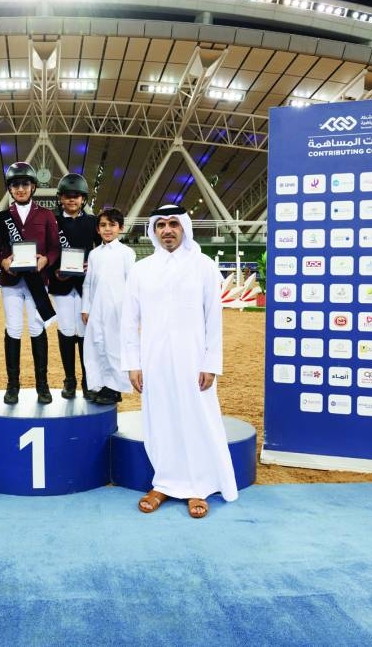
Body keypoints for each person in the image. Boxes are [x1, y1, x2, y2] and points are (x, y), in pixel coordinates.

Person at [121, 204, 238, 519]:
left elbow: (213, 319)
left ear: (184, 227)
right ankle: (164, 483)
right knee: (160, 419)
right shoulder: (141, 269)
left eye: (173, 224)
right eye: (160, 225)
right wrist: (133, 363)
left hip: (193, 359)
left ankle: (198, 487)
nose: (167, 230)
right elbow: (129, 321)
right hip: (153, 359)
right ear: (154, 231)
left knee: (196, 419)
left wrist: (211, 363)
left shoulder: (203, 266)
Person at [0, 161, 60, 405]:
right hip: (11, 282)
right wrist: (3, 261)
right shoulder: (1, 218)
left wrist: (45, 260)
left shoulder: (46, 215)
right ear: (10, 189)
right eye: (16, 185)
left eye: (25, 184)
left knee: (36, 328)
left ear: (33, 187)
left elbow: (54, 248)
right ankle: (13, 385)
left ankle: (42, 385)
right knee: (13, 329)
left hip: (37, 279)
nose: (20, 189)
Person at [49, 173, 100, 399]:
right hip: (60, 285)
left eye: (76, 196)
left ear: (83, 199)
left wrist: (93, 265)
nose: (72, 200)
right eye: (68, 196)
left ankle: (88, 379)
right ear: (60, 198)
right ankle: (69, 379)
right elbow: (47, 250)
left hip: (85, 285)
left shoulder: (93, 222)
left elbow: (101, 250)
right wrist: (54, 272)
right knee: (66, 330)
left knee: (85, 333)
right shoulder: (51, 221)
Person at [81, 207, 134, 405]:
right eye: (103, 225)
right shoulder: (94, 254)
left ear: (121, 228)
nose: (107, 229)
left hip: (117, 309)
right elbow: (88, 283)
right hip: (96, 308)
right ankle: (100, 384)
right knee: (97, 345)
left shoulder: (126, 253)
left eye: (112, 225)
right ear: (97, 229)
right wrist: (86, 307)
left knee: (114, 347)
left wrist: (130, 311)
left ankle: (115, 388)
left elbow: (131, 283)